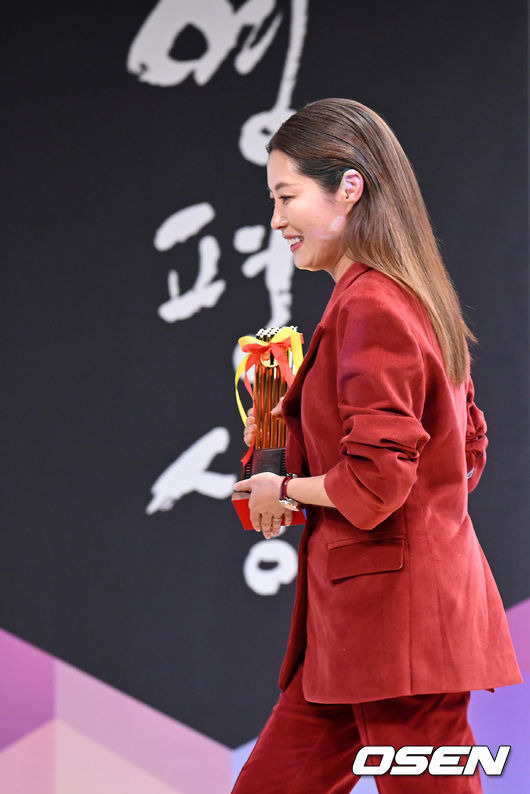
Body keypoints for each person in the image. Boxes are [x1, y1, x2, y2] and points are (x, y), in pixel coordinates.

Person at [231, 98, 522, 793]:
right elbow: (461, 456)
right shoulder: (406, 297)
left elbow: (375, 484)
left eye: (287, 196)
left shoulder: (371, 304)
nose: (277, 220)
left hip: (398, 640)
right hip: (353, 641)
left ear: (350, 187)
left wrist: (284, 487)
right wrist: (284, 432)